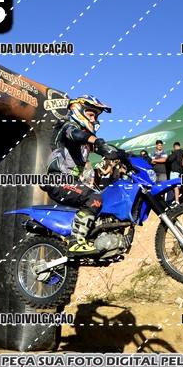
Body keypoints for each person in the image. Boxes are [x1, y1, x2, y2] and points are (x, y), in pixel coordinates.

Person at [41, 95, 113, 253]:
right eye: (91, 114)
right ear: (79, 110)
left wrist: (123, 155)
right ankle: (76, 242)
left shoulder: (85, 140)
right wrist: (96, 140)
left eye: (96, 117)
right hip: (58, 180)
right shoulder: (67, 126)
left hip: (71, 181)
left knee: (104, 197)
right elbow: (76, 134)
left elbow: (103, 149)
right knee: (94, 198)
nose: (94, 120)